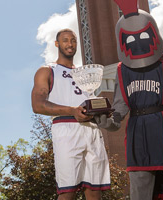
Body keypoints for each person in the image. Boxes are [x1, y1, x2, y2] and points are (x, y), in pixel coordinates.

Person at [94, 0, 163, 199]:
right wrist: (110, 123)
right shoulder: (122, 70)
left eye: (143, 35)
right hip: (137, 129)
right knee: (140, 187)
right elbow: (120, 106)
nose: (137, 42)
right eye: (130, 39)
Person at [31, 28, 110, 200]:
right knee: (68, 191)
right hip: (66, 129)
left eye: (73, 40)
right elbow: (37, 105)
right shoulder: (47, 70)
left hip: (91, 130)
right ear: (57, 44)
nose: (70, 44)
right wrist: (71, 110)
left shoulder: (85, 74)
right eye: (65, 40)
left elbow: (89, 100)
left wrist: (101, 109)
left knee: (94, 191)